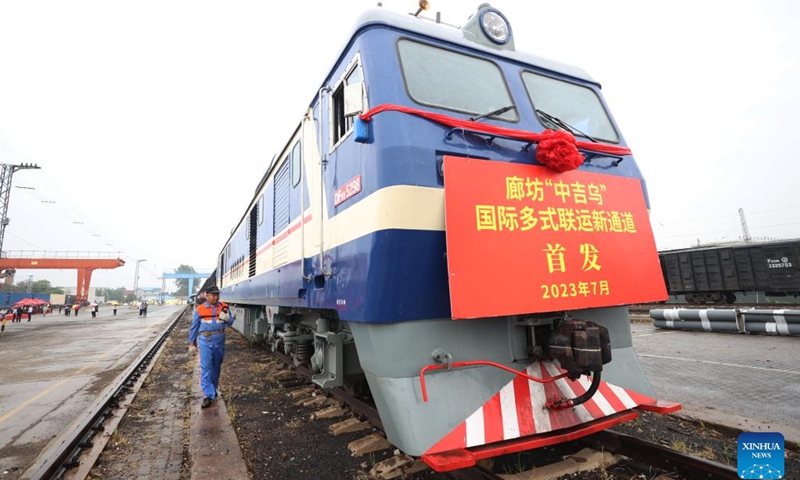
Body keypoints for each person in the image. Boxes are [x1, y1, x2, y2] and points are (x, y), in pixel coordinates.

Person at [188, 286, 234, 408]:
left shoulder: (224, 307)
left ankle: (212, 389)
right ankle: (207, 395)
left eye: (217, 295)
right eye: (213, 295)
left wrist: (228, 318)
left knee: (216, 367)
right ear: (206, 296)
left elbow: (231, 321)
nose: (216, 297)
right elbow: (194, 327)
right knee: (206, 368)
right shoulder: (200, 309)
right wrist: (191, 343)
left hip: (219, 341)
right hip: (205, 341)